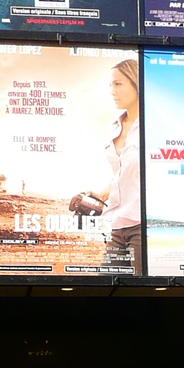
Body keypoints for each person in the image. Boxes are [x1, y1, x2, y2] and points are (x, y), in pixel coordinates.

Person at [69, 58, 142, 274]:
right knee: (107, 287)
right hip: (118, 223)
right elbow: (122, 172)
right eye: (111, 85)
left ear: (136, 83)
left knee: (142, 292)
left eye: (118, 84)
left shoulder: (152, 126)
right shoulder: (115, 125)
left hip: (143, 225)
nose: (112, 91)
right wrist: (100, 194)